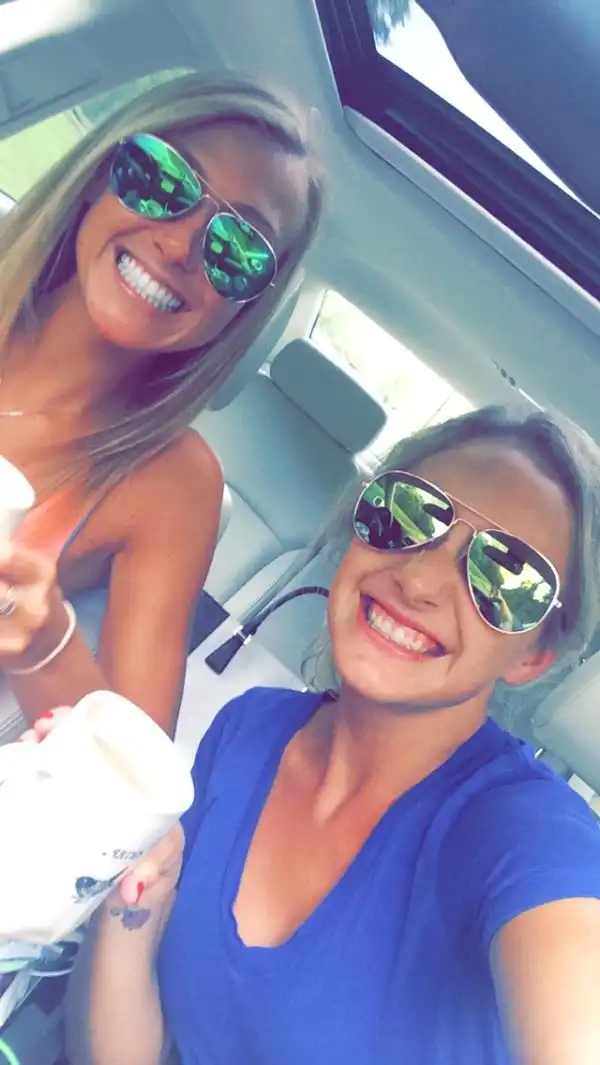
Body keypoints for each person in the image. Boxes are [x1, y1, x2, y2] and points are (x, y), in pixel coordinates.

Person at [28, 406, 600, 1063]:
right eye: (410, 513)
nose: (419, 578)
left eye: (507, 578)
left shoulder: (525, 835)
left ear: (533, 657)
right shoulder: (248, 729)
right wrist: (133, 904)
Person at [0, 73, 324, 739]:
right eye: (162, 180)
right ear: (101, 174)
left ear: (245, 307)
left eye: (238, 249)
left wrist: (41, 637)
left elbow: (129, 764)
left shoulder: (172, 484)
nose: (179, 247)